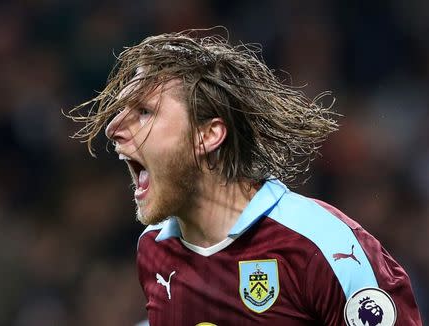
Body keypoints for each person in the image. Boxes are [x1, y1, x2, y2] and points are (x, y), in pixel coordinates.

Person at [67, 30, 422, 325]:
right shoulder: (155, 250)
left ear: (208, 135)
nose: (113, 128)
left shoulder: (323, 248)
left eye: (144, 112)